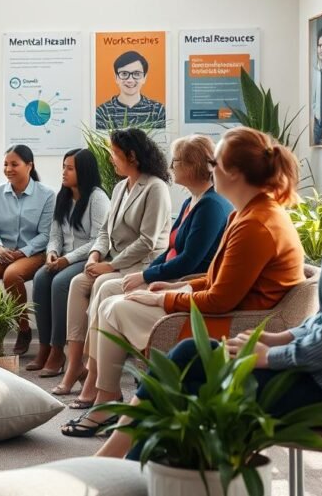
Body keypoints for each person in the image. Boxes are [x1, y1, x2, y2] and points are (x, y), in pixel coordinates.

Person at [98, 96, 322, 457]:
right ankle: (117, 467)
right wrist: (278, 340)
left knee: (185, 370)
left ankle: (113, 469)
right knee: (188, 357)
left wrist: (268, 358)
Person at [69, 127, 304, 437]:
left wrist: (161, 299)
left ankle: (107, 399)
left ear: (233, 173)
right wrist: (176, 287)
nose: (211, 169)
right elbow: (219, 277)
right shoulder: (246, 214)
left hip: (231, 324)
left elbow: (221, 299)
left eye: (215, 163)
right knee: (114, 302)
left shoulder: (256, 224)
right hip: (224, 311)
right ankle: (108, 397)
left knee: (114, 308)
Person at [64, 136, 232, 428]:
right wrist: (142, 274)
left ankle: (101, 387)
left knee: (109, 295)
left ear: (193, 166)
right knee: (104, 291)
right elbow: (169, 250)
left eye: (177, 161)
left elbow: (189, 261)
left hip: (184, 282)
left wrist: (144, 275)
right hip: (170, 278)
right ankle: (100, 383)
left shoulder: (211, 206)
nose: (172, 166)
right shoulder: (193, 201)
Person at [53, 128, 171, 398]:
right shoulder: (120, 187)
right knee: (77, 282)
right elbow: (104, 232)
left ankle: (95, 374)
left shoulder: (156, 188)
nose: (111, 160)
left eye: (115, 154)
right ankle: (74, 366)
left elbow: (147, 241)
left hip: (142, 265)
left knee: (102, 285)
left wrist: (111, 266)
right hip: (116, 262)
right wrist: (96, 255)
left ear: (132, 156)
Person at [27, 148, 110, 376]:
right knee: (41, 277)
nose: (64, 172)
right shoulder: (62, 196)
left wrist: (67, 259)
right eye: (63, 166)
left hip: (87, 257)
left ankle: (57, 350)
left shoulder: (97, 198)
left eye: (69, 168)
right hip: (63, 257)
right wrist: (52, 253)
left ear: (83, 171)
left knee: (60, 282)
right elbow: (55, 235)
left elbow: (98, 240)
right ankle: (44, 346)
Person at [0, 145, 56, 356]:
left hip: (32, 253)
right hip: (2, 251)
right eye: (5, 164)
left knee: (12, 275)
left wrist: (23, 251)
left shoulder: (47, 195)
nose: (8, 169)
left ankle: (23, 328)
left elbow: (46, 234)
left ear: (29, 166)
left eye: (14, 164)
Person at [95, 51, 166, 130]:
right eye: (124, 74)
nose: (130, 80)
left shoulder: (158, 110)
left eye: (137, 74)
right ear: (116, 78)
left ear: (144, 78)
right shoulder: (102, 112)